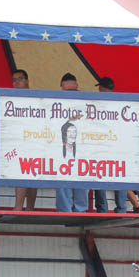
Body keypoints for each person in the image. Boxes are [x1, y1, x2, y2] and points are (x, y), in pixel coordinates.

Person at [92, 77, 129, 214]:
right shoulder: (121, 103)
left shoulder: (98, 103)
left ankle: (102, 209)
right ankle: (121, 208)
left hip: (101, 144)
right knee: (119, 176)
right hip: (118, 145)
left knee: (99, 176)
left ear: (101, 88)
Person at [55, 73, 89, 213]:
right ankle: (68, 210)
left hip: (83, 144)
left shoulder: (87, 103)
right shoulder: (57, 103)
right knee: (63, 176)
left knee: (81, 176)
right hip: (63, 145)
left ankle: (74, 210)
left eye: (72, 91)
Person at [10, 70, 38, 211]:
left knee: (33, 175)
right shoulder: (10, 99)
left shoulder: (35, 96)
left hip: (34, 139)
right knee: (19, 172)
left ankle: (30, 208)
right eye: (14, 79)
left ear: (27, 80)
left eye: (20, 79)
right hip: (19, 140)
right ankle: (18, 206)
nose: (16, 82)